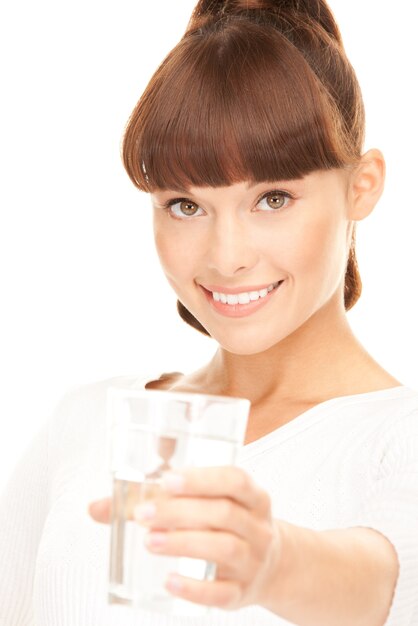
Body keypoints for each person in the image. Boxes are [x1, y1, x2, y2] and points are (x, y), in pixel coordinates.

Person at [1, 0, 417, 625]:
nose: (226, 258)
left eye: (273, 198)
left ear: (362, 186)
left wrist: (276, 564)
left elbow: (387, 581)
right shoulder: (88, 422)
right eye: (185, 205)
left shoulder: (398, 438)